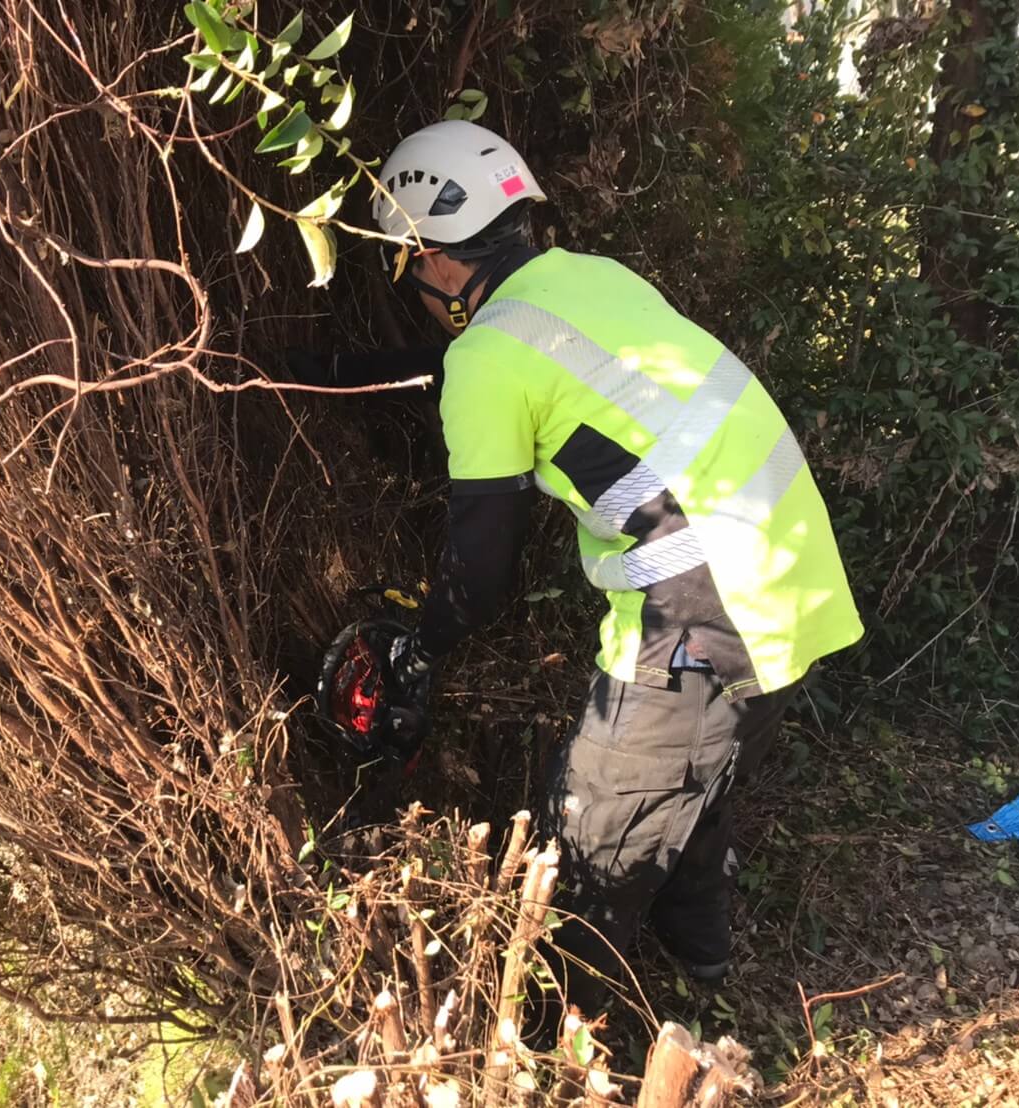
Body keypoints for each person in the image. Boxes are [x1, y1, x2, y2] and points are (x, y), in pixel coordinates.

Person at [352, 121, 864, 996]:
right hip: (790, 563)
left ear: (432, 260)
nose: (419, 296)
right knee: (692, 774)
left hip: (710, 605)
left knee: (588, 837)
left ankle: (557, 1036)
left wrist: (419, 645)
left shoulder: (486, 359)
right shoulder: (592, 278)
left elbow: (478, 575)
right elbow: (509, 363)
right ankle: (702, 968)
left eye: (407, 272)